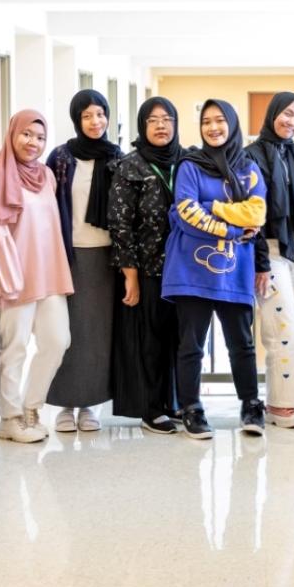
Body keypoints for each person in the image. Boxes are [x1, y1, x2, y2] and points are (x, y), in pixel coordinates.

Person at [161, 100, 267, 439]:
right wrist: (233, 226)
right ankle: (191, 408)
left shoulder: (249, 167)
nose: (213, 127)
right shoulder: (189, 165)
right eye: (206, 121)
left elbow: (257, 213)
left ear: (232, 124)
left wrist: (211, 207)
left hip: (234, 270)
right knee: (191, 343)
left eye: (220, 120)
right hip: (192, 271)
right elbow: (186, 213)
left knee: (242, 342)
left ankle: (251, 404)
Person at [0, 110, 74, 444]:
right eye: (26, 135)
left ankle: (31, 407)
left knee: (56, 341)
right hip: (15, 274)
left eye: (39, 137)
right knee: (15, 348)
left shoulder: (47, 176)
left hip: (50, 272)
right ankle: (9, 419)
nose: (33, 143)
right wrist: (7, 279)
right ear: (12, 134)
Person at [46, 90, 122, 433]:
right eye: (88, 116)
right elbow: (46, 206)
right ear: (77, 118)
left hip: (106, 256)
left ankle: (90, 404)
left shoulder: (117, 157)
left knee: (96, 334)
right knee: (65, 332)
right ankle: (64, 403)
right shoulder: (61, 157)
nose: (96, 122)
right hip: (68, 254)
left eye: (101, 115)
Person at [108, 97, 182, 434]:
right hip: (150, 268)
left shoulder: (186, 160)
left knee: (180, 339)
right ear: (142, 126)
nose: (161, 125)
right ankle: (152, 409)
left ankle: (173, 402)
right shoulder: (131, 165)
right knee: (151, 340)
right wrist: (131, 277)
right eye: (153, 120)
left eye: (167, 119)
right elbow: (120, 224)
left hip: (186, 269)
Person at [245, 92, 294, 429]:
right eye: (287, 114)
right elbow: (250, 213)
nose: (292, 122)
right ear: (273, 113)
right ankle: (278, 404)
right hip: (270, 248)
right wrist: (258, 261)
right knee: (281, 325)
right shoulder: (251, 156)